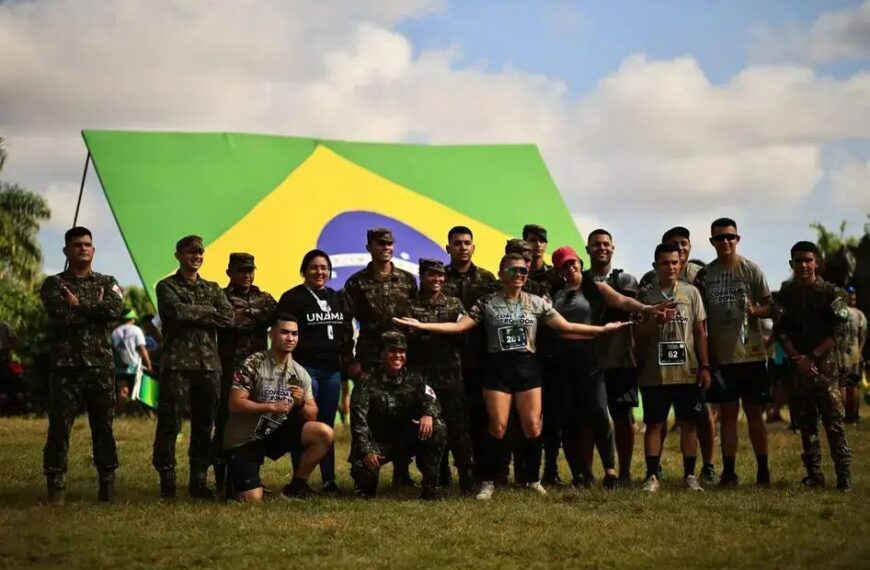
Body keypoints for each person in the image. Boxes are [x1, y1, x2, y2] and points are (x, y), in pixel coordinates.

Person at [394, 253, 630, 500]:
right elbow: (459, 327)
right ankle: (488, 480)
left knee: (532, 425)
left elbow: (566, 327)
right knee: (498, 426)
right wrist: (421, 325)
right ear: (500, 274)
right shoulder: (486, 302)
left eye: (522, 272)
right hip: (497, 368)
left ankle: (532, 479)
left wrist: (601, 330)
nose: (518, 275)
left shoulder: (536, 302)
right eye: (512, 271)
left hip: (528, 367)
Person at [551, 244, 673, 489]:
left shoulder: (595, 287)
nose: (571, 267)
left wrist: (647, 309)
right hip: (564, 362)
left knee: (599, 415)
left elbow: (623, 301)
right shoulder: (558, 295)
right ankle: (581, 474)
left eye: (573, 262)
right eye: (565, 264)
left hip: (591, 359)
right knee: (571, 420)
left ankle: (611, 470)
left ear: (579, 263)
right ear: (559, 270)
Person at [40, 226, 124, 505]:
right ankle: (56, 485)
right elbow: (59, 315)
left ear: (94, 249)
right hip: (66, 368)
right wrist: (92, 310)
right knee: (59, 428)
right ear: (66, 251)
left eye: (88, 244)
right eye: (77, 245)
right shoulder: (54, 284)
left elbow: (113, 311)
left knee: (104, 427)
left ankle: (107, 484)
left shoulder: (107, 281)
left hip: (100, 366)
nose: (83, 248)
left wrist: (79, 305)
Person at [153, 235, 234, 499]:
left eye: (200, 253)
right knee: (169, 424)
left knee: (204, 425)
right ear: (178, 255)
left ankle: (198, 481)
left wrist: (197, 311)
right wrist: (208, 311)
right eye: (191, 253)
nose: (196, 257)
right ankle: (167, 479)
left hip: (209, 366)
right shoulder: (166, 286)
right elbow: (176, 312)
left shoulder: (212, 287)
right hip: (177, 365)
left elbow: (228, 316)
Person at [694, 218, 773, 487]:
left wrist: (756, 312)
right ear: (712, 242)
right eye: (719, 238)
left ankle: (763, 470)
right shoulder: (706, 275)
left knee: (754, 415)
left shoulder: (751, 269)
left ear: (737, 239)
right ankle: (729, 472)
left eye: (730, 237)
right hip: (722, 358)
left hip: (751, 355)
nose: (725, 241)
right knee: (727, 416)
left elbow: (769, 306)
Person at [222, 314, 333, 501]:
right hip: (247, 436)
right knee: (252, 499)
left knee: (324, 432)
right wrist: (270, 406)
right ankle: (235, 478)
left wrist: (300, 404)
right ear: (271, 334)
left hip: (277, 431)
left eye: (294, 334)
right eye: (284, 332)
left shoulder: (300, 372)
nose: (290, 338)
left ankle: (297, 487)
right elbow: (235, 403)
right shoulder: (253, 364)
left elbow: (312, 414)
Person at [341, 227, 418, 486]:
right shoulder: (356, 282)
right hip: (370, 357)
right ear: (369, 247)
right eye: (380, 243)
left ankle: (402, 470)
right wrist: (349, 360)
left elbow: (414, 321)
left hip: (400, 358)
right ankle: (364, 460)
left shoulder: (407, 280)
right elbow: (344, 323)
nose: (385, 247)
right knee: (367, 412)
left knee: (404, 411)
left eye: (389, 244)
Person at [635, 243, 712, 493]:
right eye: (665, 263)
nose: (671, 267)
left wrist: (705, 366)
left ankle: (690, 476)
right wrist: (654, 322)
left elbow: (700, 332)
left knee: (688, 423)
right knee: (654, 424)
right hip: (654, 373)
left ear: (681, 265)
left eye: (675, 262)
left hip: (687, 371)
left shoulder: (691, 293)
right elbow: (637, 333)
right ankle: (651, 476)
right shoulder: (646, 296)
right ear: (655, 265)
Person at [775, 241, 852, 491]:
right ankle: (814, 475)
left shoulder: (833, 294)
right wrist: (798, 358)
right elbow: (780, 330)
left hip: (826, 370)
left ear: (817, 262)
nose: (804, 265)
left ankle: (844, 477)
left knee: (835, 425)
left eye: (809, 260)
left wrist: (813, 356)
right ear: (791, 264)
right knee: (806, 425)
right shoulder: (786, 294)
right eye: (798, 260)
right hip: (800, 371)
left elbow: (840, 330)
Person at [277, 249, 353, 493]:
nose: (319, 272)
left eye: (324, 268)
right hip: (305, 370)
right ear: (304, 270)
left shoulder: (336, 297)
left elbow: (345, 330)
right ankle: (301, 480)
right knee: (306, 423)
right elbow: (283, 334)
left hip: (331, 371)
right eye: (314, 267)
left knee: (327, 425)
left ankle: (329, 480)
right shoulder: (292, 297)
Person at [349, 331, 447, 500]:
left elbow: (432, 401)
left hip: (407, 438)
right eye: (392, 351)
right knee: (366, 483)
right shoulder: (366, 380)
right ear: (382, 354)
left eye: (401, 352)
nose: (398, 356)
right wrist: (366, 451)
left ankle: (430, 488)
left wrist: (428, 414)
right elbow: (358, 420)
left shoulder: (415, 378)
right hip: (379, 441)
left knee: (438, 427)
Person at [407, 258, 475, 493]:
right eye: (431, 275)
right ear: (422, 277)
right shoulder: (410, 306)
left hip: (451, 375)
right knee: (431, 428)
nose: (437, 279)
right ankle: (436, 478)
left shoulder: (455, 304)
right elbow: (403, 340)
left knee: (459, 430)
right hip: (424, 377)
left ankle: (467, 478)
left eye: (440, 275)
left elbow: (465, 332)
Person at [214, 253, 277, 494]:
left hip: (258, 373)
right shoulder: (220, 297)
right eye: (241, 270)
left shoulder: (265, 298)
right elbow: (226, 321)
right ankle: (222, 480)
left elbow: (281, 320)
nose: (247, 275)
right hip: (229, 371)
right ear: (229, 272)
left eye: (250, 270)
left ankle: (251, 477)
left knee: (254, 425)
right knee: (225, 424)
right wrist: (254, 321)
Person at [442, 226, 498, 483]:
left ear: (473, 247)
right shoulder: (438, 278)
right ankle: (442, 472)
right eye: (457, 243)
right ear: (448, 248)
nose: (462, 247)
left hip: (480, 359)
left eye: (466, 243)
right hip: (446, 359)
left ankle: (480, 470)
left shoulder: (487, 280)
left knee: (479, 418)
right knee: (447, 417)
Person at [586, 229, 640, 485]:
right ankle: (585, 473)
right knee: (588, 420)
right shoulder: (578, 280)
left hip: (622, 361)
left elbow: (632, 312)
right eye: (596, 244)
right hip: (587, 362)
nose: (601, 248)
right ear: (587, 249)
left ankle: (625, 473)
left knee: (623, 418)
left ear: (613, 248)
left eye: (606, 243)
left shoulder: (626, 280)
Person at [111, 307, 153, 415]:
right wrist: (148, 363)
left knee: (122, 391)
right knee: (137, 391)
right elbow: (141, 348)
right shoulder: (136, 330)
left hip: (120, 366)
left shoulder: (115, 332)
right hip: (134, 366)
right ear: (132, 318)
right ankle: (137, 413)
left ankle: (122, 414)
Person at [639, 226, 704, 288]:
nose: (680, 248)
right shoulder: (650, 278)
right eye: (674, 244)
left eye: (684, 243)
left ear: (690, 247)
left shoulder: (702, 274)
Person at [841, 287, 866, 423]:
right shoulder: (859, 314)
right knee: (853, 385)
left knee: (842, 385)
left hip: (843, 351)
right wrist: (860, 351)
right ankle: (852, 416)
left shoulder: (840, 312)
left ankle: (842, 416)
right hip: (855, 349)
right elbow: (863, 335)